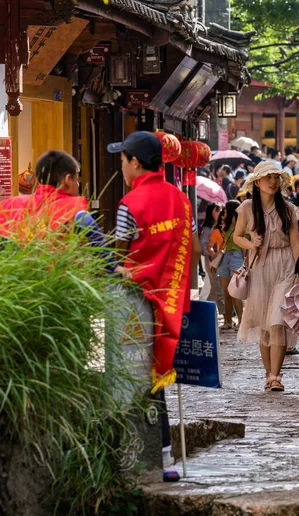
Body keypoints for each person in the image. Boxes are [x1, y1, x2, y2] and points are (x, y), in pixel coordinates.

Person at [108, 131, 195, 480]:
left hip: (134, 304)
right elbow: (192, 251)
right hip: (171, 302)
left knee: (129, 379)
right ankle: (164, 455)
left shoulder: (131, 203)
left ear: (135, 162)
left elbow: (119, 253)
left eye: (123, 159)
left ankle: (134, 458)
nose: (122, 166)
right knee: (156, 380)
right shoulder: (180, 199)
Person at [233, 161, 299, 392]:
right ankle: (269, 375)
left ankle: (276, 375)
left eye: (275, 177)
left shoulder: (289, 209)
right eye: (268, 177)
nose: (272, 182)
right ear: (257, 182)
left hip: (284, 266)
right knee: (264, 323)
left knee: (277, 321)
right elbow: (236, 237)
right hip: (260, 267)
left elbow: (294, 243)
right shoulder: (247, 207)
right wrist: (251, 243)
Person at [218, 200, 245, 330]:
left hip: (236, 256)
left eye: (226, 209)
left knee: (235, 292)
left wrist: (246, 260)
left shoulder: (241, 223)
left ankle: (241, 321)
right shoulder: (225, 224)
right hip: (225, 256)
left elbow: (244, 242)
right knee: (226, 292)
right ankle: (228, 321)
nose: (224, 212)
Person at [200, 203, 225, 313]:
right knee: (217, 288)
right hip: (211, 260)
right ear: (212, 212)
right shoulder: (207, 229)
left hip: (217, 260)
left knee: (215, 288)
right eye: (218, 211)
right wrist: (213, 255)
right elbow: (204, 246)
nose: (220, 213)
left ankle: (205, 311)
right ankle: (225, 314)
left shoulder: (217, 227)